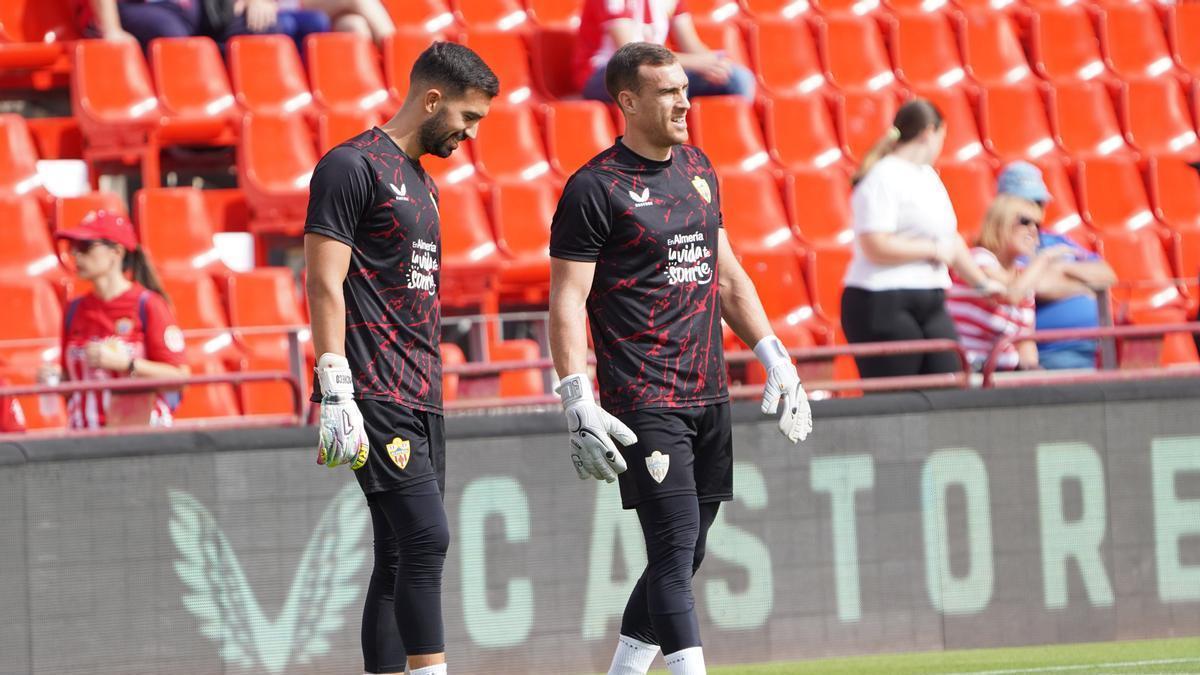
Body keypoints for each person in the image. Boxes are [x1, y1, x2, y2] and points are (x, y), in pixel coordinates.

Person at [548, 42, 812, 675]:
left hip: (708, 391)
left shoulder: (697, 168)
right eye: (668, 92)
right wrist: (576, 397)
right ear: (628, 101)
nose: (684, 101)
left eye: (684, 89)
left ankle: (625, 670)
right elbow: (566, 301)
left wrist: (776, 356)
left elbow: (728, 278)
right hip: (644, 398)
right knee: (671, 548)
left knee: (688, 548)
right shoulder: (593, 188)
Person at [303, 42, 498, 675]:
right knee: (426, 538)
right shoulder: (350, 166)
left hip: (422, 390)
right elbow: (323, 281)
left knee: (397, 553)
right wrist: (335, 383)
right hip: (373, 388)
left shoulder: (425, 186)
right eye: (468, 118)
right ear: (432, 100)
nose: (470, 133)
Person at [841, 99, 1005, 379]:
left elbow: (949, 241)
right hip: (882, 298)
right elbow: (874, 244)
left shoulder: (928, 176)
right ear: (930, 132)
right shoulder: (882, 176)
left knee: (950, 377)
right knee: (899, 395)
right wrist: (931, 250)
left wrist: (983, 284)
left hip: (929, 297)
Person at [46, 210, 189, 429]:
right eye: (73, 247)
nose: (76, 255)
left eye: (85, 247)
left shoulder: (148, 304)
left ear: (116, 252)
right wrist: (54, 378)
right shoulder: (73, 310)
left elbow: (180, 378)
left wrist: (127, 365)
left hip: (139, 438)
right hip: (83, 439)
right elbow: (73, 384)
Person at [996, 161, 1116, 370]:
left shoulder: (1056, 240)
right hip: (1052, 353)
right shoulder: (1004, 247)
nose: (1036, 211)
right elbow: (1034, 287)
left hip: (1097, 347)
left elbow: (1107, 275)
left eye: (1039, 203)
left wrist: (1061, 269)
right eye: (1027, 203)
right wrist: (1087, 286)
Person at [945, 195, 1075, 371]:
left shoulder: (1024, 276)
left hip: (1004, 373)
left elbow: (1025, 340)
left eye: (1037, 225)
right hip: (969, 371)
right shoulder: (977, 259)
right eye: (1025, 221)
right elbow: (1011, 295)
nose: (1033, 230)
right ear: (1001, 223)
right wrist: (1043, 259)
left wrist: (1034, 373)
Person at [573, 0, 755, 102]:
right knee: (658, 81)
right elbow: (633, 54)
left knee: (737, 78)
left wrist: (714, 63)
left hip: (656, 69)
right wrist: (698, 63)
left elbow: (692, 45)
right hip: (604, 73)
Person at [77, 0, 329, 53]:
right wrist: (111, 29)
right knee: (175, 41)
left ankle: (265, 121)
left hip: (199, 7)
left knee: (261, 28)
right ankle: (191, 138)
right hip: (140, 7)